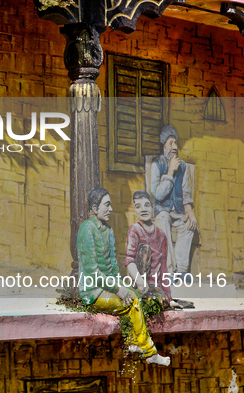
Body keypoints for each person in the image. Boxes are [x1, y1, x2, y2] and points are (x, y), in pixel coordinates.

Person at [77, 187, 170, 366]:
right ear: (95, 208)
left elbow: (112, 269)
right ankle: (150, 353)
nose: (110, 209)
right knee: (133, 302)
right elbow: (93, 272)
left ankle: (134, 343)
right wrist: (118, 289)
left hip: (108, 287)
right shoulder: (86, 229)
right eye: (107, 205)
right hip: (93, 291)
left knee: (135, 294)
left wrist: (123, 287)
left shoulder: (108, 230)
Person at [151, 125, 197, 278]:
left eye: (175, 143)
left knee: (189, 225)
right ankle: (168, 270)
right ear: (163, 145)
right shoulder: (156, 164)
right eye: (170, 143)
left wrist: (189, 211)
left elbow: (185, 192)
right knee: (163, 219)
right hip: (162, 210)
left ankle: (181, 270)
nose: (174, 147)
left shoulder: (182, 166)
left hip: (178, 210)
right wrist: (170, 172)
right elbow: (157, 194)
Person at [125, 190, 172, 306]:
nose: (143, 209)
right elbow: (129, 260)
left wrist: (168, 298)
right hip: (140, 286)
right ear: (135, 210)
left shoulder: (161, 235)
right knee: (144, 249)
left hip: (156, 289)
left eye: (146, 205)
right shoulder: (135, 229)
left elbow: (164, 269)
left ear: (153, 208)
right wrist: (140, 283)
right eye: (138, 206)